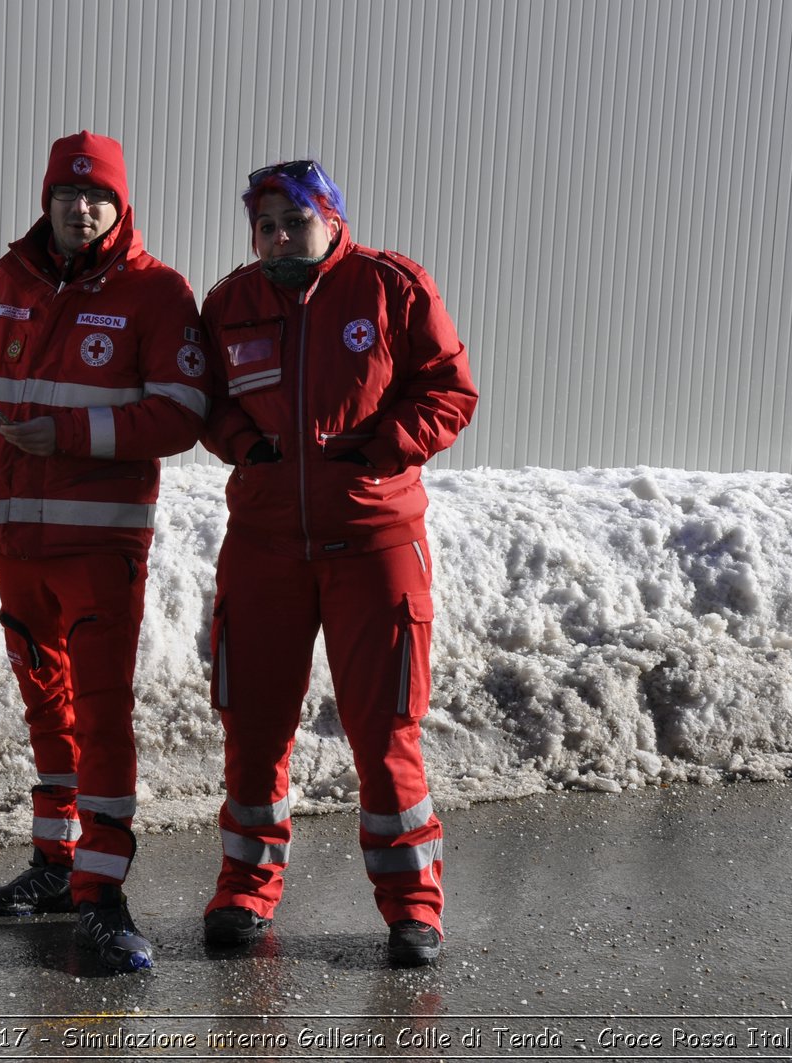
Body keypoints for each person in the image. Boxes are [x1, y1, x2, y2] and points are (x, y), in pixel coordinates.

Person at [0, 131, 208, 973]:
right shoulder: (15, 277)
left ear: (120, 205)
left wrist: (66, 435)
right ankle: (55, 865)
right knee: (45, 709)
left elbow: (181, 411)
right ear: (48, 199)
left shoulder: (156, 293)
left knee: (100, 718)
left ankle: (102, 893)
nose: (81, 210)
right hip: (18, 542)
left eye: (97, 198)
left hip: (99, 549)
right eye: (67, 196)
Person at [198, 160, 477, 967]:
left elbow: (449, 389)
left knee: (383, 732)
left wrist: (386, 448)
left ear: (331, 218)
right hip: (264, 548)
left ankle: (414, 908)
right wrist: (242, 442)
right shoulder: (230, 303)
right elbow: (205, 397)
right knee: (252, 728)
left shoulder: (392, 287)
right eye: (266, 225)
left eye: (296, 220)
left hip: (374, 546)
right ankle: (244, 890)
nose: (280, 236)